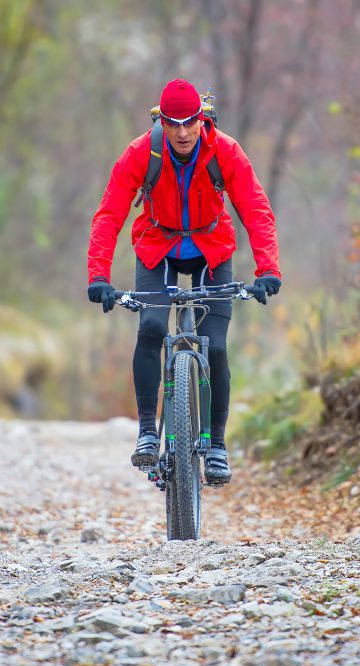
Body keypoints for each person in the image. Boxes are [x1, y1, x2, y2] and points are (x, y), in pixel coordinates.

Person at [86, 78, 281, 485]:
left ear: (201, 118)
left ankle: (217, 447)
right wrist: (99, 276)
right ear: (161, 121)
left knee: (217, 347)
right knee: (153, 327)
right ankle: (145, 433)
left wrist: (268, 270)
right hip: (158, 246)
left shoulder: (224, 150)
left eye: (189, 122)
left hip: (212, 248)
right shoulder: (142, 152)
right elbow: (109, 213)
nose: (182, 132)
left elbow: (255, 208)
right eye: (173, 123)